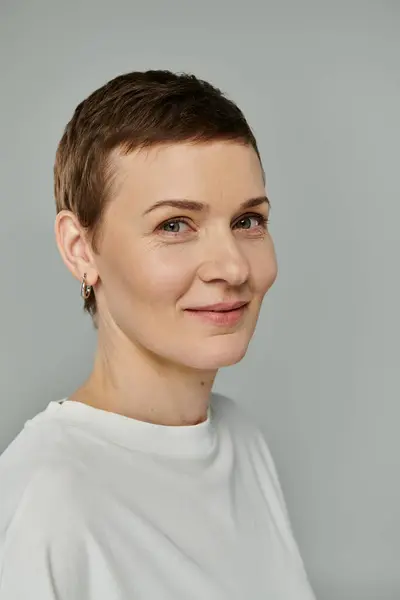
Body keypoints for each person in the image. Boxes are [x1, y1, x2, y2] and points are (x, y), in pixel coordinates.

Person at [0, 69, 316, 599]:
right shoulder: (45, 498)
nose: (233, 267)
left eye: (247, 221)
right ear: (80, 249)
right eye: (175, 225)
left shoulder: (243, 441)